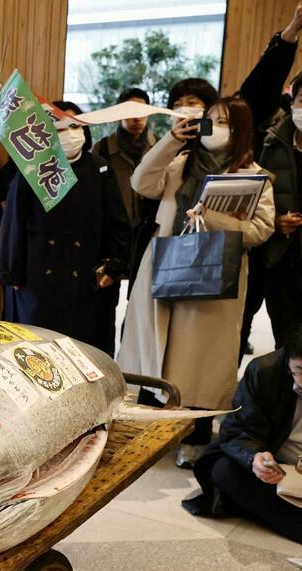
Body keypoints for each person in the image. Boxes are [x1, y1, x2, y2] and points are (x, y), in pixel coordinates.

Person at [118, 96, 275, 468]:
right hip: (166, 262)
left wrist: (216, 218)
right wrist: (172, 139)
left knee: (199, 361)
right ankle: (148, 432)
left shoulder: (256, 177)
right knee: (156, 351)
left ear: (239, 132)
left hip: (213, 273)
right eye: (210, 121)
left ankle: (196, 435)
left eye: (224, 123)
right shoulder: (181, 163)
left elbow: (260, 230)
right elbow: (142, 183)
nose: (214, 129)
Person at [0, 101, 129, 356]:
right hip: (38, 275)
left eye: (75, 125)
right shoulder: (29, 170)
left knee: (85, 349)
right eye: (60, 127)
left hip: (87, 273)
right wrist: (11, 274)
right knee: (37, 350)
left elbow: (117, 223)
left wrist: (114, 265)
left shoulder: (99, 169)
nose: (70, 134)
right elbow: (13, 225)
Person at [182, 325, 302, 546]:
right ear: (288, 360)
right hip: (278, 467)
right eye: (300, 370)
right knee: (225, 471)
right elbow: (238, 430)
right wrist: (255, 458)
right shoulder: (266, 371)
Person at [235, 4, 302, 360]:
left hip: (297, 261)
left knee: (293, 346)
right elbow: (254, 93)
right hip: (258, 252)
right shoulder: (266, 135)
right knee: (234, 334)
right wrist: (290, 33)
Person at [93, 87, 158, 288]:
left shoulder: (160, 148)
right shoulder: (103, 148)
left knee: (142, 291)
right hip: (112, 232)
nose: (137, 118)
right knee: (106, 293)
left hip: (148, 230)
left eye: (142, 111)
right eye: (130, 112)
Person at [257, 73, 302, 351]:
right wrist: (275, 223)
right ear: (292, 102)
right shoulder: (270, 143)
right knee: (285, 341)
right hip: (281, 256)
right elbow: (255, 199)